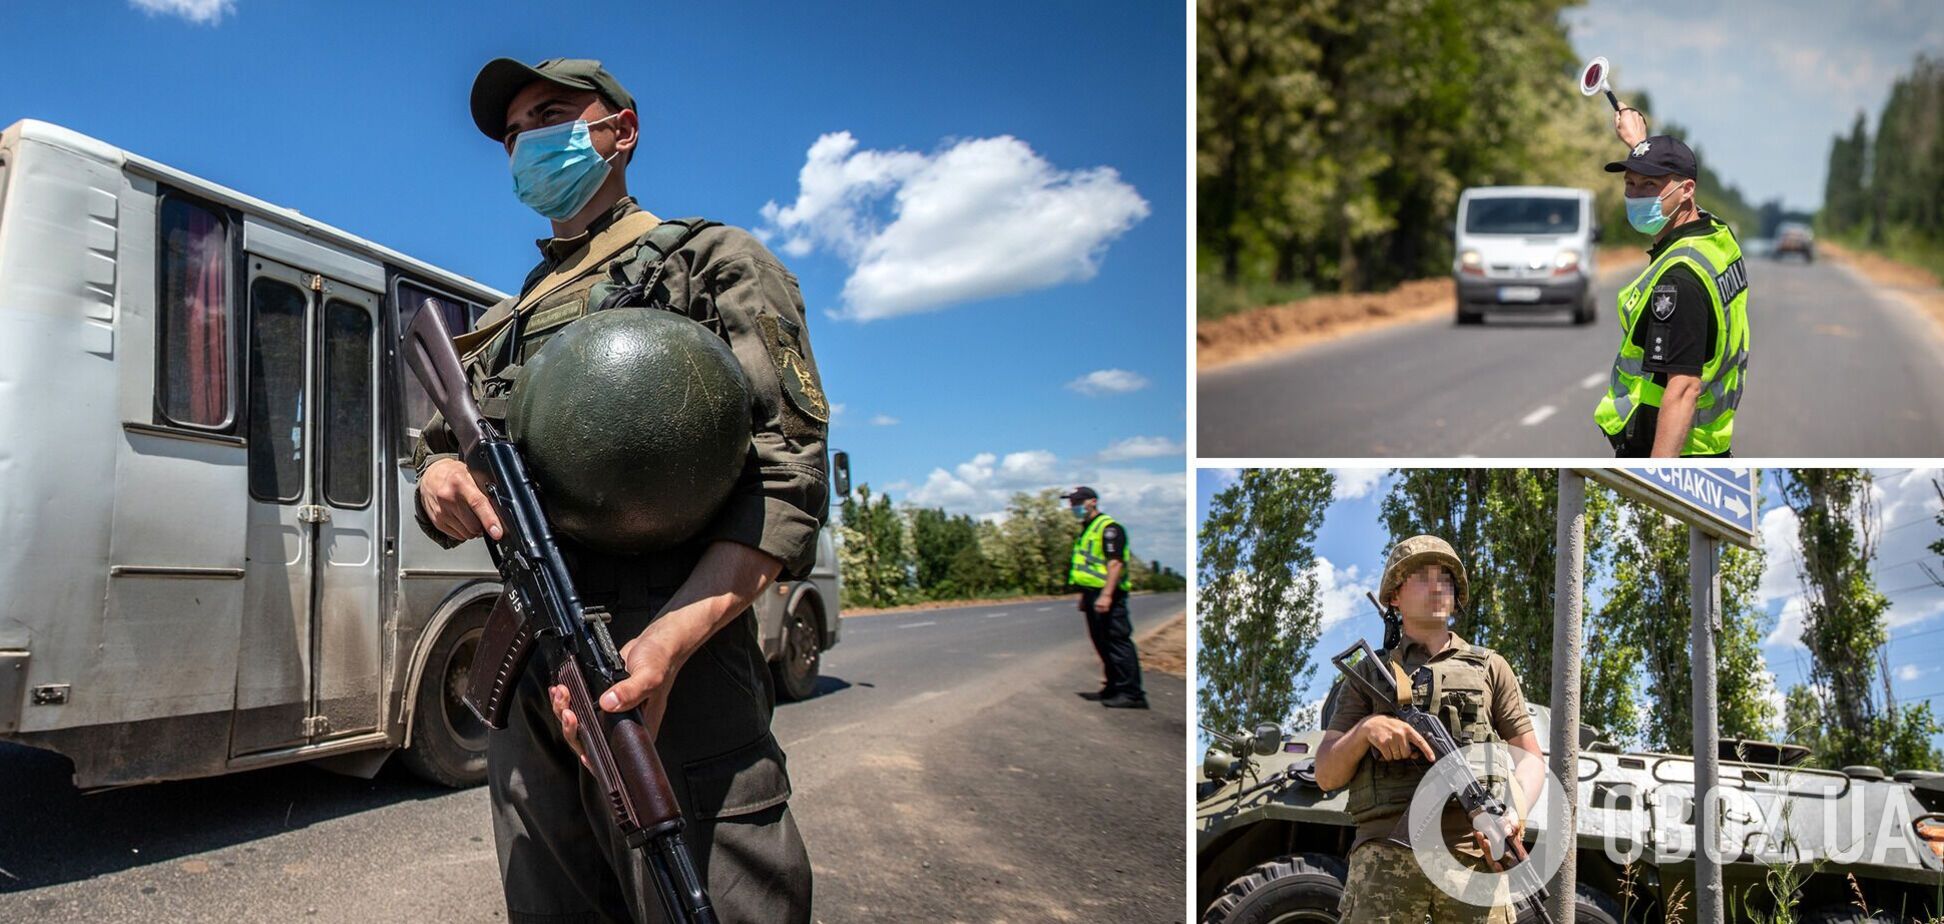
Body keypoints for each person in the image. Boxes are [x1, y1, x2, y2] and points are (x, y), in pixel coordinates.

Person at [412, 56, 826, 924]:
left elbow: (786, 479)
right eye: (516, 131)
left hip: (672, 650)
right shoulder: (517, 315)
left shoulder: (710, 263)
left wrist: (668, 645)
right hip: (534, 656)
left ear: (620, 131)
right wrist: (439, 479)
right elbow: (449, 456)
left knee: (709, 895)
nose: (528, 140)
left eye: (552, 116)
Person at [1311, 536, 1546, 923]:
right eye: (1422, 576)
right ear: (1394, 597)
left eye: (1446, 579)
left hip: (1474, 860)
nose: (1437, 586)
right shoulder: (1369, 674)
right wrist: (1368, 730)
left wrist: (1512, 815)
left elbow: (1530, 758)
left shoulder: (1489, 667)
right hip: (1384, 861)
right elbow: (1325, 773)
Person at [1591, 106, 1751, 458]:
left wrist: (1657, 477)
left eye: (1650, 185)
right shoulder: (1717, 238)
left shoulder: (1679, 281)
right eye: (1630, 183)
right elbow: (1681, 191)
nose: (1636, 196)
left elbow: (1683, 390)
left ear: (1686, 190)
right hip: (1709, 445)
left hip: (1673, 450)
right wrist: (1642, 147)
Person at [1063, 486, 1147, 709]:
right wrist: (1084, 595)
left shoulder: (1109, 528)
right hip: (1093, 594)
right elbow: (1088, 566)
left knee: (1117, 642)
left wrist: (1107, 594)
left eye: (1078, 502)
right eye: (1072, 503)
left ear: (1093, 502)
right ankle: (1113, 686)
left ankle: (1132, 693)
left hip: (1108, 594)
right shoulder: (1088, 528)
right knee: (1101, 642)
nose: (1074, 507)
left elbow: (1115, 563)